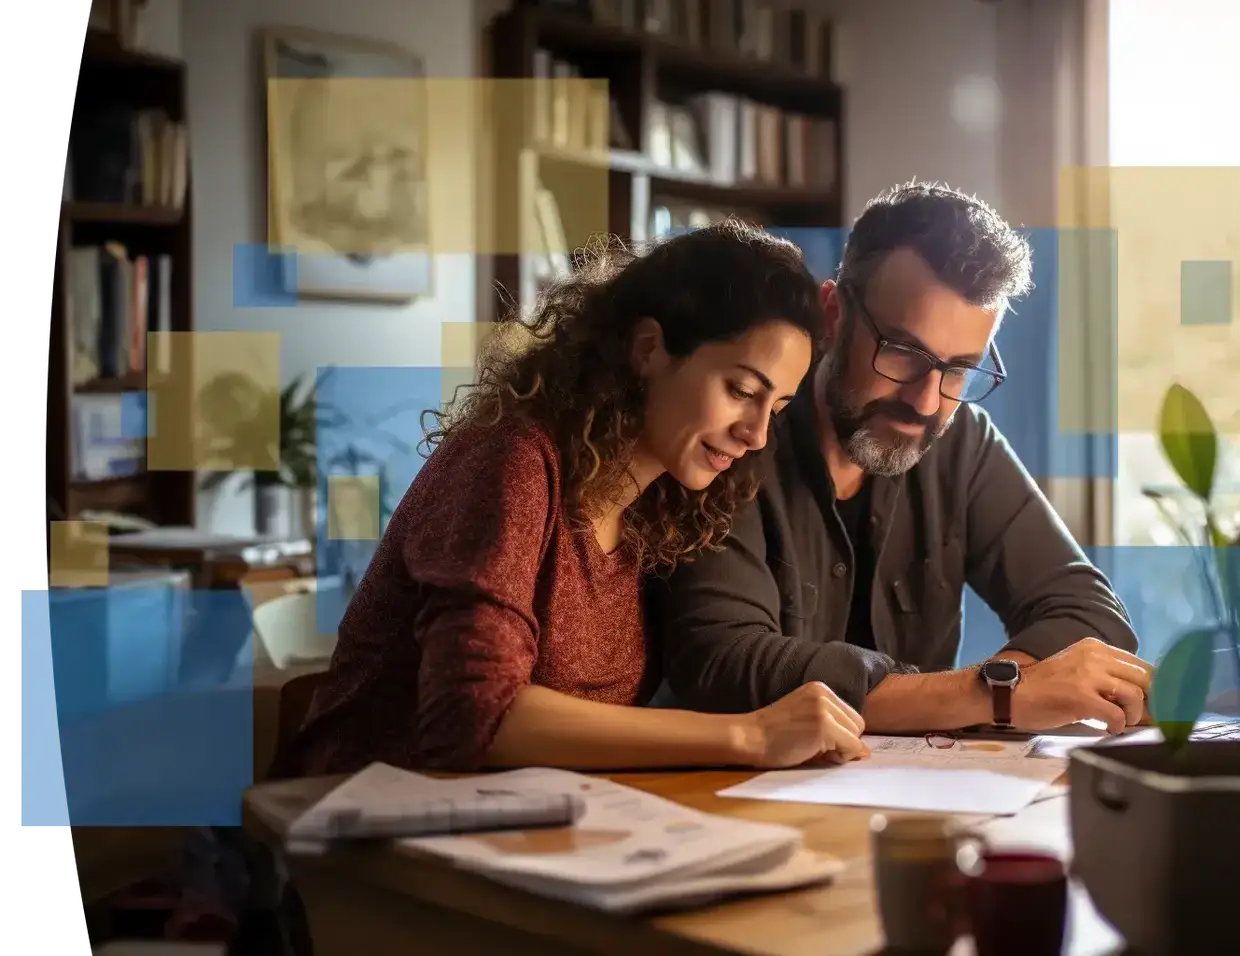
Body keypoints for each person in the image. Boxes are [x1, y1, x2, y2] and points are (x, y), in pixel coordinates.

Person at [278, 220, 872, 778]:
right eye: (742, 390)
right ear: (648, 349)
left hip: (528, 830)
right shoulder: (512, 460)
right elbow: (470, 714)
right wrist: (749, 737)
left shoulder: (665, 507)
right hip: (367, 839)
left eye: (780, 408)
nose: (758, 434)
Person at [655, 182, 1153, 734]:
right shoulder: (737, 435)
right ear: (833, 315)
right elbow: (725, 662)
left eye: (959, 369)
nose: (925, 400)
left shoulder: (963, 443)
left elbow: (1091, 617)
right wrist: (992, 697)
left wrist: (995, 694)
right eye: (902, 352)